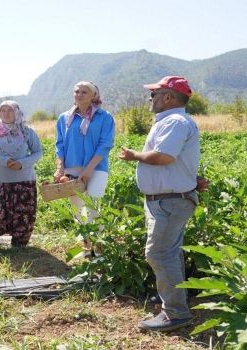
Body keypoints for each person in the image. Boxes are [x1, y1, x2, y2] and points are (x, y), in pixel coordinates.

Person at [118, 76, 200, 332]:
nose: (150, 98)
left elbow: (164, 157)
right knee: (169, 252)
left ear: (168, 97)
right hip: (167, 200)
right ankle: (172, 299)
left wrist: (134, 156)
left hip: (169, 202)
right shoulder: (174, 122)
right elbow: (177, 161)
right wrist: (190, 178)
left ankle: (175, 313)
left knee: (159, 253)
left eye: (154, 94)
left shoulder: (175, 122)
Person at [54, 81, 115, 257]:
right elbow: (60, 145)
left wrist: (88, 170)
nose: (79, 94)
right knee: (77, 209)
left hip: (96, 168)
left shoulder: (104, 117)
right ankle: (86, 247)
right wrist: (60, 168)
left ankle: (99, 248)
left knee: (94, 207)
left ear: (94, 96)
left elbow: (105, 145)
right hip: (72, 168)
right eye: (77, 91)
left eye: (84, 92)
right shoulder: (64, 118)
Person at [0, 100, 42, 247]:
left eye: (10, 110)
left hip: (23, 179)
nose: (6, 113)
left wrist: (22, 163)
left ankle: (19, 244)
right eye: (3, 110)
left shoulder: (27, 131)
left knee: (23, 213)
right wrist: (4, 161)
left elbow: (38, 152)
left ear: (17, 112)